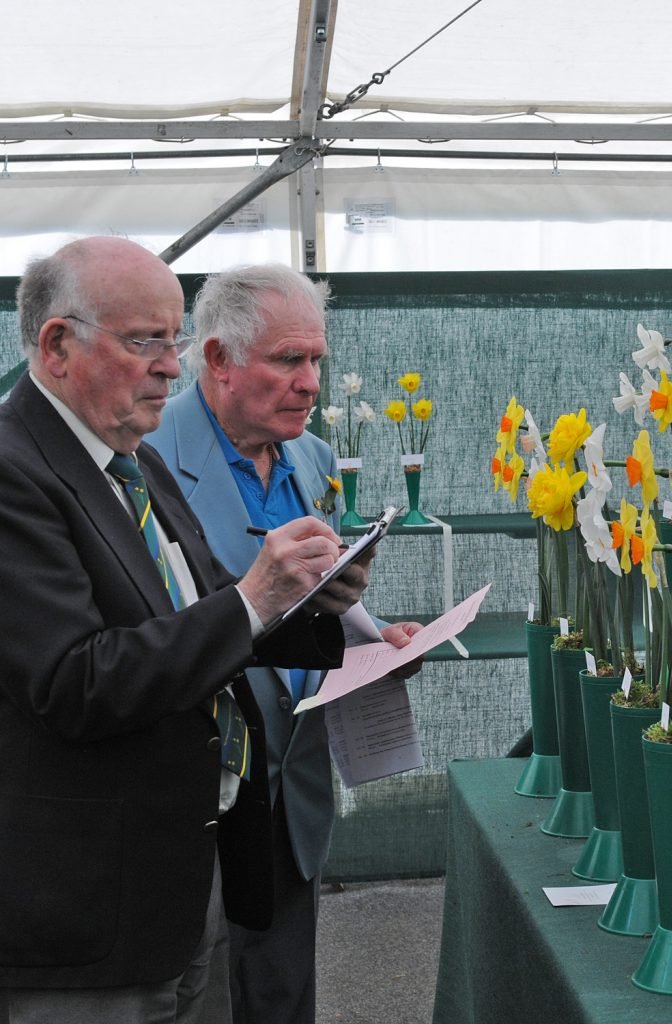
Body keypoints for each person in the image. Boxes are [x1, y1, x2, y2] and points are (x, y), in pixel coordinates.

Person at [0, 237, 373, 1024]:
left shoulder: (132, 460)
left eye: (171, 341)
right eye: (145, 342)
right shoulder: (14, 471)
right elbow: (75, 679)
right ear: (57, 345)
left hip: (183, 873)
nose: (172, 366)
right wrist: (254, 595)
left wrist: (307, 606)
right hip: (89, 912)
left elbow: (207, 627)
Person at [149, 263, 422, 1024]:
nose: (309, 383)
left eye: (316, 362)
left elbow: (312, 595)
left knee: (283, 990)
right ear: (217, 359)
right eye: (287, 361)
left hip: (293, 782)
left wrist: (372, 630)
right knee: (202, 994)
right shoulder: (147, 460)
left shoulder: (313, 458)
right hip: (202, 788)